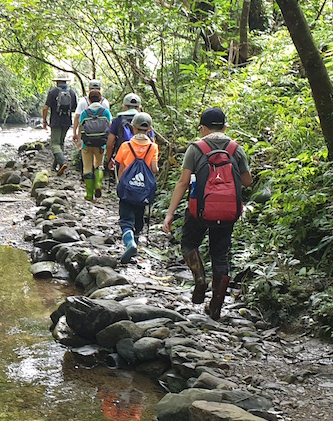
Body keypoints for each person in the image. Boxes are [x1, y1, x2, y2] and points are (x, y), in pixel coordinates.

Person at [160, 107, 253, 319]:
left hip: (199, 210)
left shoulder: (196, 148)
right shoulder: (235, 149)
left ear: (203, 128)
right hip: (228, 212)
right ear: (225, 127)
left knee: (189, 244)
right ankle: (216, 308)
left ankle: (200, 278)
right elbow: (247, 182)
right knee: (220, 255)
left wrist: (170, 214)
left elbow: (183, 183)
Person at [113, 112, 158, 263]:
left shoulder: (126, 146)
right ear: (149, 129)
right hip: (143, 191)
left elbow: (121, 167)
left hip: (128, 189)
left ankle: (129, 243)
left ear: (133, 127)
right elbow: (154, 169)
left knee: (126, 220)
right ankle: (136, 245)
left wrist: (121, 184)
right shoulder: (153, 147)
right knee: (139, 219)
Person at [71, 88, 112, 200]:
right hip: (101, 144)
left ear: (89, 100)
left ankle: (89, 194)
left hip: (86, 143)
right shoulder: (106, 112)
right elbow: (110, 128)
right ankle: (98, 184)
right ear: (100, 100)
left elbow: (81, 128)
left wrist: (79, 141)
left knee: (87, 167)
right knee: (99, 164)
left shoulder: (85, 113)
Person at [104, 93, 147, 181]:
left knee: (123, 184)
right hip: (144, 158)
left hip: (123, 157)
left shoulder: (117, 120)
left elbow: (110, 143)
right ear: (139, 107)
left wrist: (110, 159)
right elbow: (152, 141)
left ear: (124, 106)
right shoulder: (144, 120)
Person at [41, 73, 79, 174]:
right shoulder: (72, 92)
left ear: (57, 81)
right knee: (60, 143)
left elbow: (45, 108)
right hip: (67, 122)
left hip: (55, 121)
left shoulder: (53, 92)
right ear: (66, 81)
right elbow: (75, 109)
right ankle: (54, 167)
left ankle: (62, 163)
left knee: (54, 144)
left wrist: (44, 121)